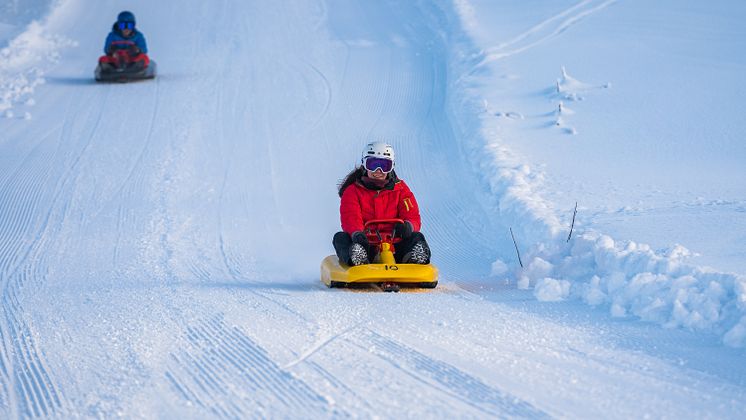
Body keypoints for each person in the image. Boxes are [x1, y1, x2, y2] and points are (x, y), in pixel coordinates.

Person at [333, 141, 431, 266]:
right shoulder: (352, 191)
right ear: (365, 164)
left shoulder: (400, 189)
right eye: (373, 164)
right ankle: (358, 258)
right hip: (367, 244)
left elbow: (412, 215)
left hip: (395, 243)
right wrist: (357, 233)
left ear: (391, 167)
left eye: (384, 166)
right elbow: (350, 217)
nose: (378, 170)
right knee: (341, 238)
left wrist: (408, 226)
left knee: (417, 237)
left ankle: (415, 257)